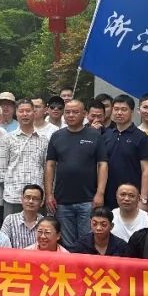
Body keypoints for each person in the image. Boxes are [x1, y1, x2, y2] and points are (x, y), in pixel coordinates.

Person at [45, 99, 107, 249]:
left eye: (75, 112)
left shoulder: (95, 135)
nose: (71, 115)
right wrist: (49, 194)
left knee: (88, 243)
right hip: (62, 201)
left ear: (84, 114)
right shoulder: (57, 136)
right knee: (68, 246)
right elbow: (50, 165)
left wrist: (100, 193)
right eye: (67, 112)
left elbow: (103, 165)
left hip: (88, 200)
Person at [100, 94, 148, 211]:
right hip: (108, 195)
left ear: (132, 112)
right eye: (116, 109)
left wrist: (144, 199)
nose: (119, 113)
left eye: (124, 109)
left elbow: (146, 170)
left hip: (131, 196)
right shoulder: (106, 136)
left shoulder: (141, 137)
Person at [0, 99, 49, 217]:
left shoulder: (44, 139)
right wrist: (10, 187)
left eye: (28, 111)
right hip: (13, 196)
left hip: (36, 197)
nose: (25, 114)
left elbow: (47, 168)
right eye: (21, 111)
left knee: (38, 228)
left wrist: (45, 193)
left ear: (34, 112)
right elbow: (1, 169)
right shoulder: (7, 139)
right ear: (16, 113)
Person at [0, 184, 45, 249]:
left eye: (35, 199)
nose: (31, 201)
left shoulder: (45, 222)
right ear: (22, 199)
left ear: (41, 202)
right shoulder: (10, 220)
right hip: (13, 255)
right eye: (27, 197)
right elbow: (2, 244)